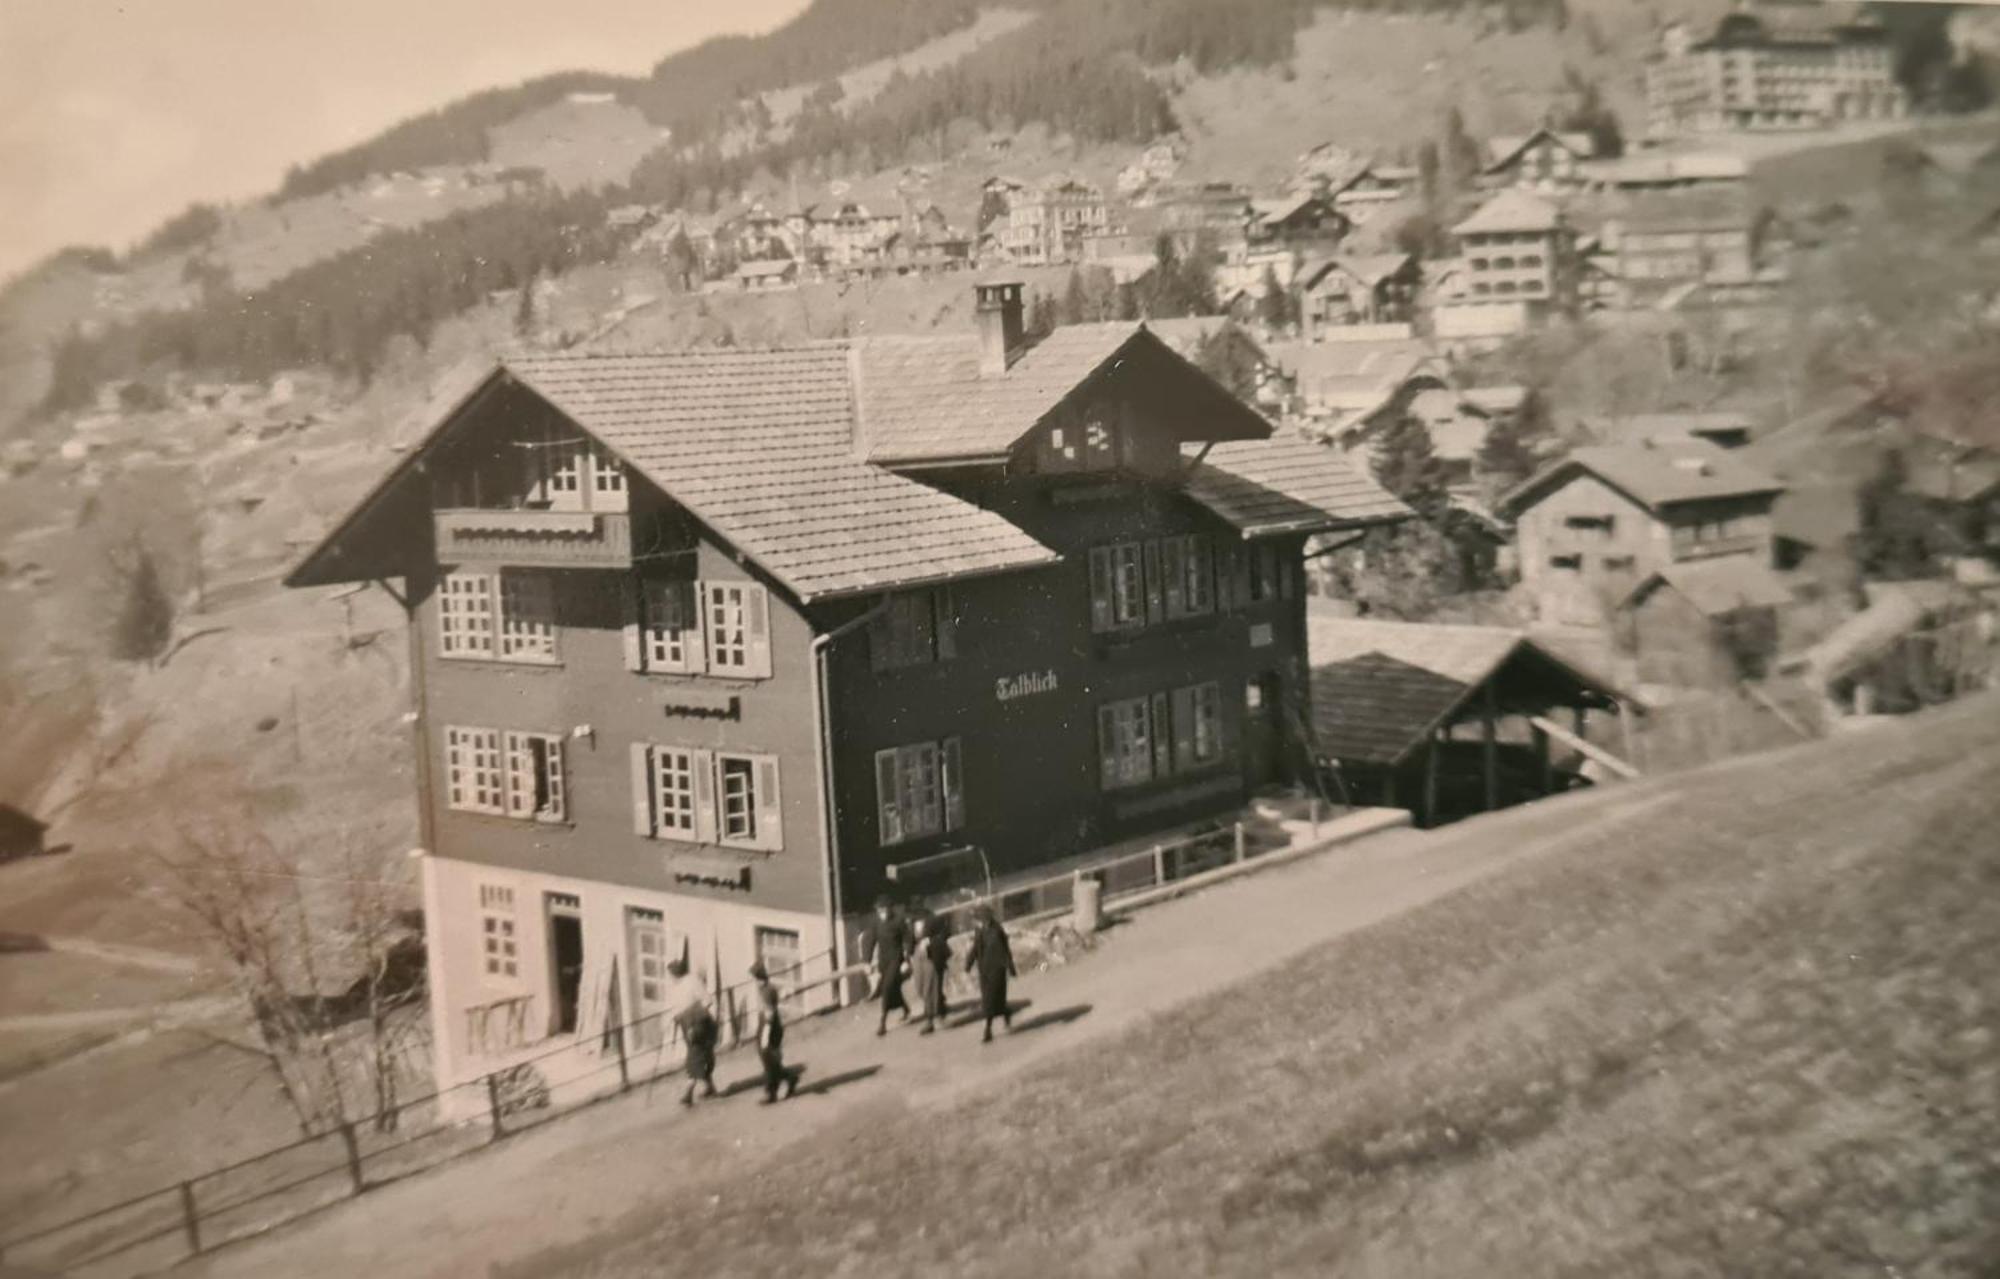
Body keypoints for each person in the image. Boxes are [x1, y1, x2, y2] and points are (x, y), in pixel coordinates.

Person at [665, 958, 718, 1107]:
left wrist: (696, 1020)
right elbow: (677, 1007)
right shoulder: (676, 987)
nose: (670, 978)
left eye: (671, 974)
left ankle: (688, 1091)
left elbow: (708, 1001)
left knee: (695, 1055)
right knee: (702, 1054)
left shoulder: (693, 982)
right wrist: (675, 1018)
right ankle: (709, 1087)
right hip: (686, 1023)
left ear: (676, 973)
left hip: (698, 1023)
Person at [860, 895, 912, 1037]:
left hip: (897, 959)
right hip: (884, 961)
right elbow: (869, 941)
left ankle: (882, 1022)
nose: (882, 913)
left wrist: (907, 959)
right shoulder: (876, 923)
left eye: (885, 909)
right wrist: (867, 961)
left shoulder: (899, 921)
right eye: (880, 910)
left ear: (890, 909)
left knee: (887, 987)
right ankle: (905, 1008)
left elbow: (908, 939)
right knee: (892, 988)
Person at [749, 962, 800, 1104]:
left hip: (769, 1027)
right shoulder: (768, 988)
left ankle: (771, 1092)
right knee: (771, 1061)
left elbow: (769, 1015)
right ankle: (789, 1079)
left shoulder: (766, 991)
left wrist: (765, 1035)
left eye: (755, 978)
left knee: (768, 1060)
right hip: (769, 1025)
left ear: (758, 978)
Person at [965, 907, 1016, 1044]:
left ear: (984, 919)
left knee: (990, 1001)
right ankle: (1006, 1013)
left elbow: (1005, 950)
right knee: (993, 1000)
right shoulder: (980, 931)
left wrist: (1010, 967)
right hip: (985, 972)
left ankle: (988, 1030)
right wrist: (968, 964)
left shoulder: (996, 931)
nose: (975, 922)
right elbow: (976, 948)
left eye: (976, 919)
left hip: (997, 971)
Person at [913, 911, 954, 1035]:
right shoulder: (910, 919)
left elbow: (947, 931)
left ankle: (933, 1019)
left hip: (933, 957)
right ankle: (937, 1014)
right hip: (918, 955)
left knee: (931, 989)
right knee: (921, 988)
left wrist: (931, 940)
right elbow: (909, 938)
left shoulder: (932, 918)